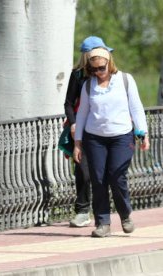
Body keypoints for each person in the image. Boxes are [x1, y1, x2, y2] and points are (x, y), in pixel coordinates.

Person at [73, 46, 149, 237]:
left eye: (101, 68)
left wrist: (143, 133)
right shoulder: (88, 85)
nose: (98, 73)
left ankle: (125, 215)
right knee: (98, 179)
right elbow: (81, 114)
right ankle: (103, 222)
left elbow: (136, 108)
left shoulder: (125, 80)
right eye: (93, 70)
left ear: (110, 64)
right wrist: (77, 143)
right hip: (95, 138)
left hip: (122, 136)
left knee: (116, 176)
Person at [64, 36, 114, 228]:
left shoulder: (110, 74)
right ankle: (82, 210)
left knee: (105, 172)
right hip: (83, 129)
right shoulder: (77, 75)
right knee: (83, 171)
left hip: (105, 129)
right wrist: (74, 123)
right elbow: (68, 103)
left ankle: (103, 210)